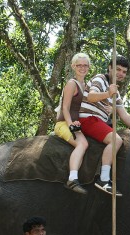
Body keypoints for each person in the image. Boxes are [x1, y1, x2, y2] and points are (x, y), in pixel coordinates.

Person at [79, 55, 130, 197]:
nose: (121, 74)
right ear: (110, 68)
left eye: (124, 72)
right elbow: (91, 96)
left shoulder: (116, 93)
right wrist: (108, 92)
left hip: (99, 122)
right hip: (89, 119)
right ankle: (103, 179)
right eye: (118, 69)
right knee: (116, 140)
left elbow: (125, 115)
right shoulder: (100, 79)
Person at [54, 53, 91, 194]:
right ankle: (72, 179)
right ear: (73, 66)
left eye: (85, 65)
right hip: (64, 123)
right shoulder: (71, 84)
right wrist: (71, 125)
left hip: (78, 124)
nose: (82, 68)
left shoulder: (87, 86)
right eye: (79, 65)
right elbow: (65, 107)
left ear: (88, 67)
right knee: (83, 143)